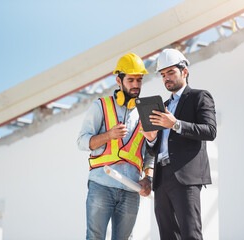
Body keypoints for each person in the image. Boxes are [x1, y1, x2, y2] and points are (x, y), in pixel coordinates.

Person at [77, 53, 154, 240]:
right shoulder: (101, 106)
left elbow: (150, 151)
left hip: (131, 189)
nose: (136, 85)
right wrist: (109, 135)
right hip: (101, 184)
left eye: (139, 80)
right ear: (119, 81)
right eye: (130, 80)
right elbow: (82, 142)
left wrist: (148, 178)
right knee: (95, 237)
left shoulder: (147, 111)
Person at [141, 48, 217, 240]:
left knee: (190, 234)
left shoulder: (199, 97)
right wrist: (151, 139)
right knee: (168, 236)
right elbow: (158, 146)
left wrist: (175, 124)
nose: (167, 78)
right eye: (163, 75)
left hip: (185, 176)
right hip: (161, 178)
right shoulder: (163, 106)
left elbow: (210, 131)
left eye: (171, 72)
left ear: (185, 71)